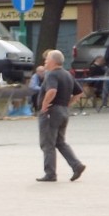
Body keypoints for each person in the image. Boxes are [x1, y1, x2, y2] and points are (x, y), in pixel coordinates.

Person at [35, 50, 85, 183]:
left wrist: (45, 105)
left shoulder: (52, 74)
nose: (45, 62)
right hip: (63, 111)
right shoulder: (67, 74)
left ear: (53, 61)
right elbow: (79, 92)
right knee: (60, 142)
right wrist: (67, 104)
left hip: (52, 112)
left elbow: (52, 90)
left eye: (47, 60)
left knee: (48, 143)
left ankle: (50, 173)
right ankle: (76, 165)